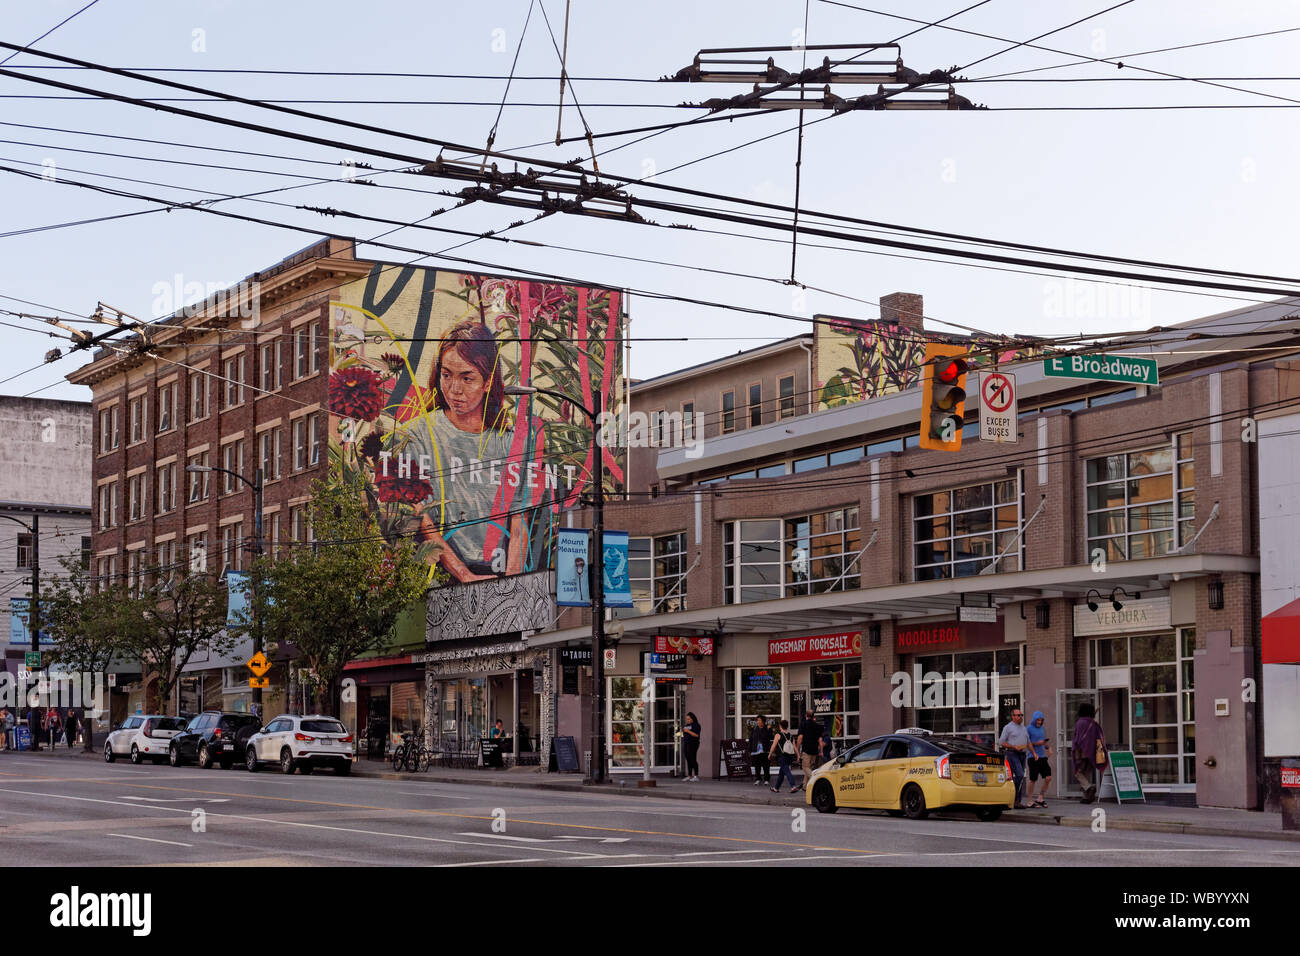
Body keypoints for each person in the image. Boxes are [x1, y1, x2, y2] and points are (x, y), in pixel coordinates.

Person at [407, 319, 533, 583]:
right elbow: (422, 517)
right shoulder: (418, 434)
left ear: (488, 382)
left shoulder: (510, 441)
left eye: (467, 378)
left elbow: (518, 521)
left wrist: (511, 583)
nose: (454, 389)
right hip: (437, 581)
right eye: (446, 375)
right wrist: (464, 575)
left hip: (498, 578)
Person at [1072, 702, 1105, 804]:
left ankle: (1089, 788)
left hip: (1081, 752)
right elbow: (1099, 736)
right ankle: (1087, 797)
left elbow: (1076, 738)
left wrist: (1076, 752)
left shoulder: (1080, 723)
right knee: (1087, 774)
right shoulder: (1093, 723)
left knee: (1078, 773)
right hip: (1092, 753)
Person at [998, 707, 1031, 809]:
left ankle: (1016, 801)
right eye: (1018, 715)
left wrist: (1033, 753)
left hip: (1022, 754)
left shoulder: (1023, 728)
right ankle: (1012, 798)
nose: (1021, 717)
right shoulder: (1008, 728)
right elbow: (1001, 742)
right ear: (1013, 717)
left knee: (1017, 778)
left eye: (1021, 715)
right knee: (1020, 775)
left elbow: (1028, 742)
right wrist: (1013, 747)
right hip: (1012, 754)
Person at [1026, 710, 1052, 808]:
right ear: (1034, 719)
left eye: (1041, 720)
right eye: (1038, 720)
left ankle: (1040, 798)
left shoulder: (1042, 728)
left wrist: (1048, 748)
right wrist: (1037, 743)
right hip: (1032, 757)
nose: (1039, 722)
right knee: (1033, 779)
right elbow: (1027, 743)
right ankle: (1030, 801)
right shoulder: (1028, 729)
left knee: (1048, 777)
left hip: (1042, 757)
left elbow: (1043, 742)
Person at [794, 710, 823, 792]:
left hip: (806, 750)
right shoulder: (817, 726)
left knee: (805, 767)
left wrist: (797, 748)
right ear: (813, 716)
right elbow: (820, 740)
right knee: (809, 768)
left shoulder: (803, 724)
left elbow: (800, 738)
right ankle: (805, 786)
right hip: (815, 750)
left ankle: (817, 781)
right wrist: (821, 751)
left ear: (806, 715)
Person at [769, 719, 800, 793]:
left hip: (782, 756)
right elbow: (794, 747)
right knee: (781, 773)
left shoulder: (778, 735)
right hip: (789, 756)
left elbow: (773, 746)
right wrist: (798, 755)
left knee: (787, 771)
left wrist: (770, 754)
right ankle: (776, 788)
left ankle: (793, 786)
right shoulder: (791, 736)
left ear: (780, 726)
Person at [748, 715, 771, 786]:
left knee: (765, 765)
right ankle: (758, 779)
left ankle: (766, 779)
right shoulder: (754, 729)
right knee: (757, 765)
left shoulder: (767, 729)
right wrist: (750, 750)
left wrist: (769, 730)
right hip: (756, 750)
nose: (758, 722)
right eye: (757, 720)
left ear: (763, 722)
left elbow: (770, 737)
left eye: (759, 720)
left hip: (765, 750)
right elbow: (751, 739)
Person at [681, 711, 701, 781]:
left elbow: (696, 735)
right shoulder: (687, 725)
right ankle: (689, 775)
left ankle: (696, 776)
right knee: (688, 759)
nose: (688, 720)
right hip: (686, 743)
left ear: (692, 718)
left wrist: (688, 731)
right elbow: (684, 733)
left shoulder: (696, 725)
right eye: (687, 719)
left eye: (689, 719)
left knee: (693, 759)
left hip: (693, 744)